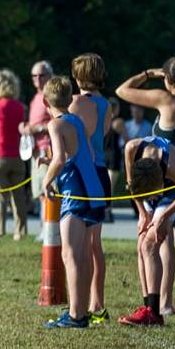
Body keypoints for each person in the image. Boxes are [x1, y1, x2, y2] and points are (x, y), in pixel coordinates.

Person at [116, 57, 175, 315]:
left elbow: (121, 91)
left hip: (166, 179)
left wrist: (148, 73)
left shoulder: (165, 99)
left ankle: (162, 303)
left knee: (157, 242)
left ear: (167, 79)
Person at [40, 76, 106, 328]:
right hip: (93, 189)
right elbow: (84, 153)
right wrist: (54, 163)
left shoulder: (55, 125)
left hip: (75, 193)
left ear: (46, 101)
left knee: (70, 254)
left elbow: (59, 159)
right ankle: (82, 310)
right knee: (84, 254)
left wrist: (47, 180)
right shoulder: (76, 120)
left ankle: (76, 315)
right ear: (69, 99)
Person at [118, 136, 175, 326]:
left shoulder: (170, 167)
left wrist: (162, 216)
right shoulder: (131, 149)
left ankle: (154, 312)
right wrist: (143, 212)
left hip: (171, 196)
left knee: (150, 244)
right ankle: (147, 308)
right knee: (141, 244)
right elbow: (132, 185)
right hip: (144, 191)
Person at [69, 53, 111, 322]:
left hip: (84, 173)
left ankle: (80, 306)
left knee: (79, 246)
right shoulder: (106, 104)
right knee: (95, 243)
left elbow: (72, 137)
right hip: (101, 172)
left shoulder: (76, 103)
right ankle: (98, 302)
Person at [0, 68, 28, 239]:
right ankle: (20, 231)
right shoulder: (20, 107)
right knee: (19, 196)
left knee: (0, 196)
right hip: (17, 154)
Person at [19, 61, 54, 225]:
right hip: (34, 150)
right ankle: (46, 228)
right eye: (34, 75)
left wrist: (36, 129)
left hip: (47, 150)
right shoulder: (36, 97)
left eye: (42, 75)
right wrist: (26, 127)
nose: (38, 79)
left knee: (46, 191)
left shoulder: (51, 96)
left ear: (50, 76)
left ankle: (49, 230)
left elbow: (58, 122)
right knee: (40, 192)